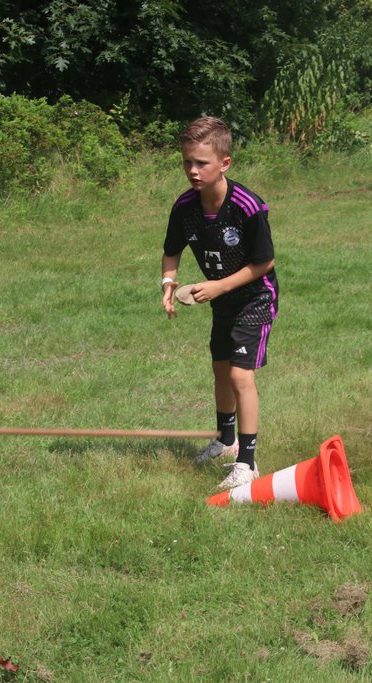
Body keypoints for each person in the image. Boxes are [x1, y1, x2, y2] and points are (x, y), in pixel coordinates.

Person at [161, 116, 279, 490]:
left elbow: (264, 262)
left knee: (240, 375)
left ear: (225, 163)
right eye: (187, 162)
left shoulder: (247, 206)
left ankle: (247, 462)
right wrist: (168, 283)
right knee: (220, 369)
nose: (193, 171)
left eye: (202, 163)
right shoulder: (185, 207)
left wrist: (218, 287)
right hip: (222, 301)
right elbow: (171, 250)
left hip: (255, 297)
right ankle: (225, 441)